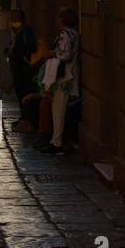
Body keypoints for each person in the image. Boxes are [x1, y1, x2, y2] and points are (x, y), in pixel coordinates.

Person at [39, 8, 81, 155]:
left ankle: (57, 143)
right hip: (70, 75)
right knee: (60, 110)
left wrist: (52, 53)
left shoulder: (65, 34)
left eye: (58, 18)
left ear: (62, 19)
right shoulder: (74, 33)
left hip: (64, 76)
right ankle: (56, 141)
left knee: (58, 111)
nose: (56, 21)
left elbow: (65, 55)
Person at [6, 9, 40, 132]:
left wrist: (16, 52)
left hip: (24, 69)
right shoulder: (19, 31)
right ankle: (24, 118)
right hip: (18, 68)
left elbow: (31, 47)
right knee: (21, 94)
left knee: (25, 94)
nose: (13, 21)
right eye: (12, 19)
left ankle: (28, 121)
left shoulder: (26, 31)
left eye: (15, 19)